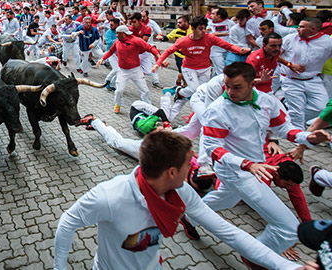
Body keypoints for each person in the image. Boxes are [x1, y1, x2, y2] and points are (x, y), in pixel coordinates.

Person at [53, 131, 303, 270]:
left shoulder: (180, 192)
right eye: (188, 165)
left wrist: (286, 267)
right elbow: (67, 222)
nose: (193, 169)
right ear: (171, 172)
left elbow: (230, 233)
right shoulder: (110, 195)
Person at [199, 62, 331, 265]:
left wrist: (309, 138)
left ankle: (188, 213)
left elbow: (285, 129)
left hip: (255, 167)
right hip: (238, 171)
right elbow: (214, 149)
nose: (229, 92)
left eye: (236, 87)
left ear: (252, 84)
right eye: (227, 86)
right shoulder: (217, 110)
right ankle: (256, 257)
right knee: (289, 227)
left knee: (226, 200)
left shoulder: (267, 101)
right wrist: (247, 165)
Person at [152, 16, 250, 121]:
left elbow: (227, 45)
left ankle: (193, 113)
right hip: (189, 68)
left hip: (205, 68)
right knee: (194, 89)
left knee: (203, 92)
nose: (204, 31)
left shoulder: (209, 38)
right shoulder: (183, 41)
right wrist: (158, 63)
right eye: (201, 29)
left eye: (204, 28)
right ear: (193, 29)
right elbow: (168, 51)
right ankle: (179, 92)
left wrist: (240, 50)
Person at [280, 17, 332, 130]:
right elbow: (273, 53)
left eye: (302, 27)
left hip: (314, 80)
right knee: (297, 111)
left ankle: (286, 120)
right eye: (299, 26)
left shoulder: (328, 42)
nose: (298, 29)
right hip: (291, 80)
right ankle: (298, 138)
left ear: (313, 29)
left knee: (321, 107)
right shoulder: (289, 38)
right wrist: (289, 65)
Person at [97, 25, 161, 113]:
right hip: (122, 71)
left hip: (136, 70)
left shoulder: (136, 40)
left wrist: (159, 57)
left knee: (144, 89)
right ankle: (118, 104)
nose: (116, 35)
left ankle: (148, 106)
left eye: (117, 34)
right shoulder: (117, 41)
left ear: (123, 34)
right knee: (119, 90)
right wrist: (102, 59)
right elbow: (111, 51)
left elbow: (150, 48)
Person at [157, 15, 192, 87]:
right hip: (179, 55)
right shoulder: (176, 31)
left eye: (180, 22)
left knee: (187, 72)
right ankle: (185, 86)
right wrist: (161, 38)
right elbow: (167, 37)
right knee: (183, 71)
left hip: (189, 55)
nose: (178, 24)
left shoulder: (193, 29)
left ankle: (179, 80)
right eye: (177, 23)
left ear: (186, 22)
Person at [207, 7, 236, 77]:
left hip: (228, 49)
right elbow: (212, 34)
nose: (211, 15)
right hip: (215, 50)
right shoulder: (210, 24)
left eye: (213, 14)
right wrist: (227, 33)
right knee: (221, 69)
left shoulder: (230, 23)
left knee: (217, 69)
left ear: (219, 15)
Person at [103, 18, 119, 91]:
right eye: (110, 24)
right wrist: (118, 39)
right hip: (111, 53)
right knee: (115, 69)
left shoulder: (119, 32)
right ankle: (107, 79)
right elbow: (109, 42)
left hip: (119, 54)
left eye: (112, 25)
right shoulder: (108, 32)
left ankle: (112, 84)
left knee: (120, 71)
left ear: (117, 25)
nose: (110, 26)